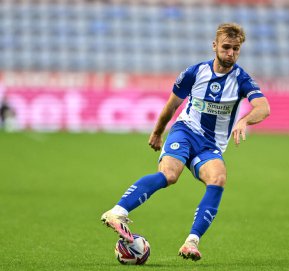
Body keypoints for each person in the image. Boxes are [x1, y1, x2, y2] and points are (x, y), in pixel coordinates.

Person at [101, 22, 270, 261]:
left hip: (211, 145)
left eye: (236, 48)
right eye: (226, 47)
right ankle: (117, 212)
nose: (230, 53)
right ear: (215, 46)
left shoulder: (242, 80)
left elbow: (264, 108)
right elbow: (172, 105)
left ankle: (191, 242)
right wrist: (158, 132)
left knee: (218, 178)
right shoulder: (194, 73)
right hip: (185, 131)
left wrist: (244, 120)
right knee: (170, 175)